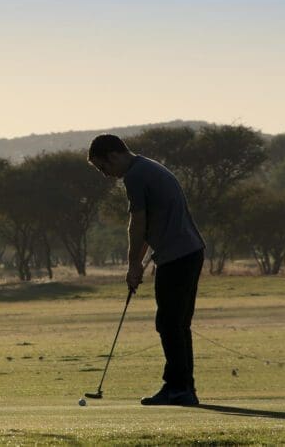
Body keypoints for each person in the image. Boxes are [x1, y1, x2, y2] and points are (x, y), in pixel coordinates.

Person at [87, 134, 205, 406]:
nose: (106, 175)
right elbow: (149, 225)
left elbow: (137, 224)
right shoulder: (147, 167)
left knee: (170, 323)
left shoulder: (135, 176)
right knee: (176, 323)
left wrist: (132, 266)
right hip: (187, 253)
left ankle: (179, 389)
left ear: (114, 156)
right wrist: (138, 262)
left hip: (178, 257)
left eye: (103, 167)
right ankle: (181, 387)